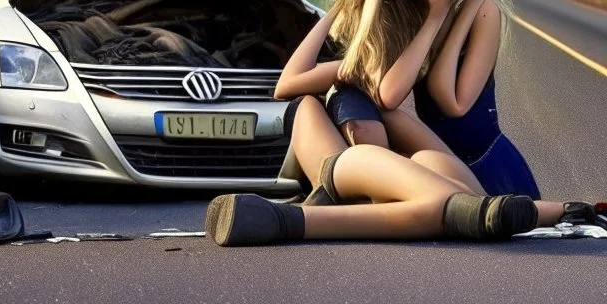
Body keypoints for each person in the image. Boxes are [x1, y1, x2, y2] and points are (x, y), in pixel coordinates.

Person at [275, 0, 540, 199]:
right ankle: (339, 186)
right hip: (433, 164)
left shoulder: (478, 7)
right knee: (345, 93)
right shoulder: (405, 17)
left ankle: (338, 190)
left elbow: (453, 104)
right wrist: (346, 2)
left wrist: (438, 18)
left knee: (359, 94)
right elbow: (288, 84)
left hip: (489, 170)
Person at [204, 93, 600, 246]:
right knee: (440, 196)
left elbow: (398, 103)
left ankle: (282, 219)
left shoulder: (391, 112)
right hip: (347, 173)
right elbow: (291, 84)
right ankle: (284, 219)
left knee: (433, 170)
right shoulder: (321, 109)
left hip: (398, 182)